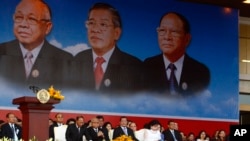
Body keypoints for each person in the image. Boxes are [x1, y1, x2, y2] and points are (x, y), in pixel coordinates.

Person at [0, 0, 73, 89]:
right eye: (19, 17)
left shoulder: (65, 61)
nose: (23, 25)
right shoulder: (2, 51)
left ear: (47, 27)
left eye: (31, 19)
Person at [74, 2, 143, 93]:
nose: (95, 29)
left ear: (116, 33)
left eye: (103, 24)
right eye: (91, 23)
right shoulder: (78, 59)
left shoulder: (135, 67)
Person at [143, 12, 210, 95]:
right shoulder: (147, 67)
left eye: (174, 31)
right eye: (162, 30)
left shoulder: (200, 72)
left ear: (187, 39)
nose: (167, 37)